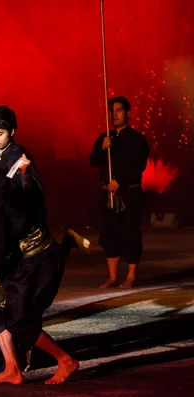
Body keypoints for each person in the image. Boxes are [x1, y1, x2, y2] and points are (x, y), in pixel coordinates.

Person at [0, 135, 79, 386]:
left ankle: (65, 360)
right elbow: (32, 204)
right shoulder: (0, 182)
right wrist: (28, 178)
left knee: (22, 321)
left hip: (36, 260)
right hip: (28, 257)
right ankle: (12, 369)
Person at [89, 96, 149, 288]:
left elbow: (139, 165)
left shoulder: (137, 139)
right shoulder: (105, 137)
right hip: (108, 196)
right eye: (112, 111)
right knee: (109, 234)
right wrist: (102, 147)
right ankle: (113, 276)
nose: (115, 115)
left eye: (119, 110)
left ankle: (131, 275)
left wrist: (120, 181)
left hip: (128, 194)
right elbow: (94, 161)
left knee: (129, 233)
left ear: (127, 113)